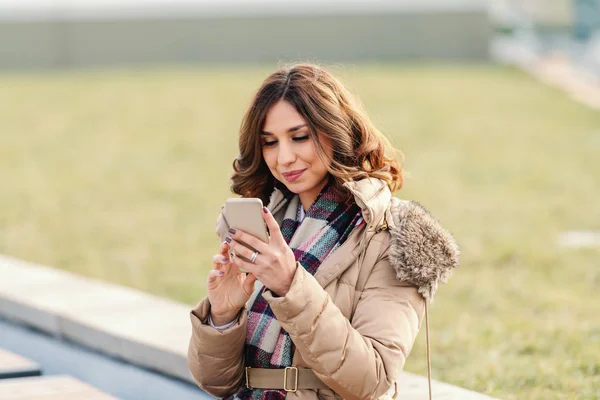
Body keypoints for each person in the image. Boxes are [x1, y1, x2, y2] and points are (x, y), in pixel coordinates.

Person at [187, 63, 459, 400]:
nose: (284, 158)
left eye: (300, 137)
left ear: (335, 129)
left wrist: (289, 285)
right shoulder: (267, 224)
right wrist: (223, 316)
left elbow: (372, 379)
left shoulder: (391, 234)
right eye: (270, 143)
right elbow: (215, 382)